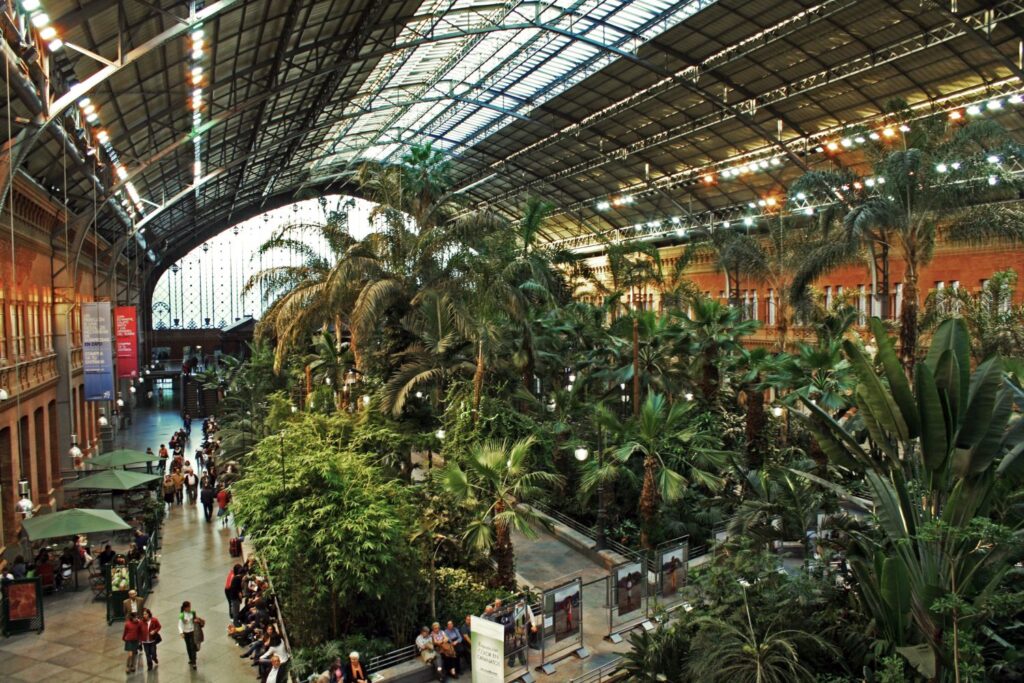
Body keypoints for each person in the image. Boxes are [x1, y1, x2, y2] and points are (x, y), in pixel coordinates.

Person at [178, 600, 204, 670]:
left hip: (192, 631)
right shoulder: (182, 615)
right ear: (185, 608)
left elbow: (196, 619)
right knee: (188, 646)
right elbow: (180, 625)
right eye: (188, 607)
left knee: (192, 646)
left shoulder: (192, 613)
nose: (190, 608)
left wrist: (197, 620)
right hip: (186, 633)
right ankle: (191, 658)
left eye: (190, 606)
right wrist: (181, 633)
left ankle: (194, 661)